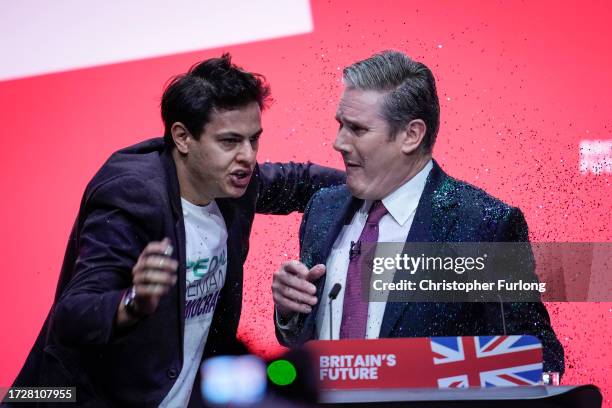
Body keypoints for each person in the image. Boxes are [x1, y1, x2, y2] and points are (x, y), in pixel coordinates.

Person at [11, 54, 344, 407]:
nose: (247, 156)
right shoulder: (132, 198)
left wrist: (386, 183)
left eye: (254, 139)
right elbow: (73, 313)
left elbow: (302, 182)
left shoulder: (233, 182)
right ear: (183, 137)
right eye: (229, 142)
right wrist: (133, 302)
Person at [272, 50, 564, 375]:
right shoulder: (322, 210)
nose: (338, 142)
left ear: (411, 135)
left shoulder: (482, 226)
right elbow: (304, 341)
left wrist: (424, 372)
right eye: (340, 125)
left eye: (357, 129)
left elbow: (537, 357)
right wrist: (289, 312)